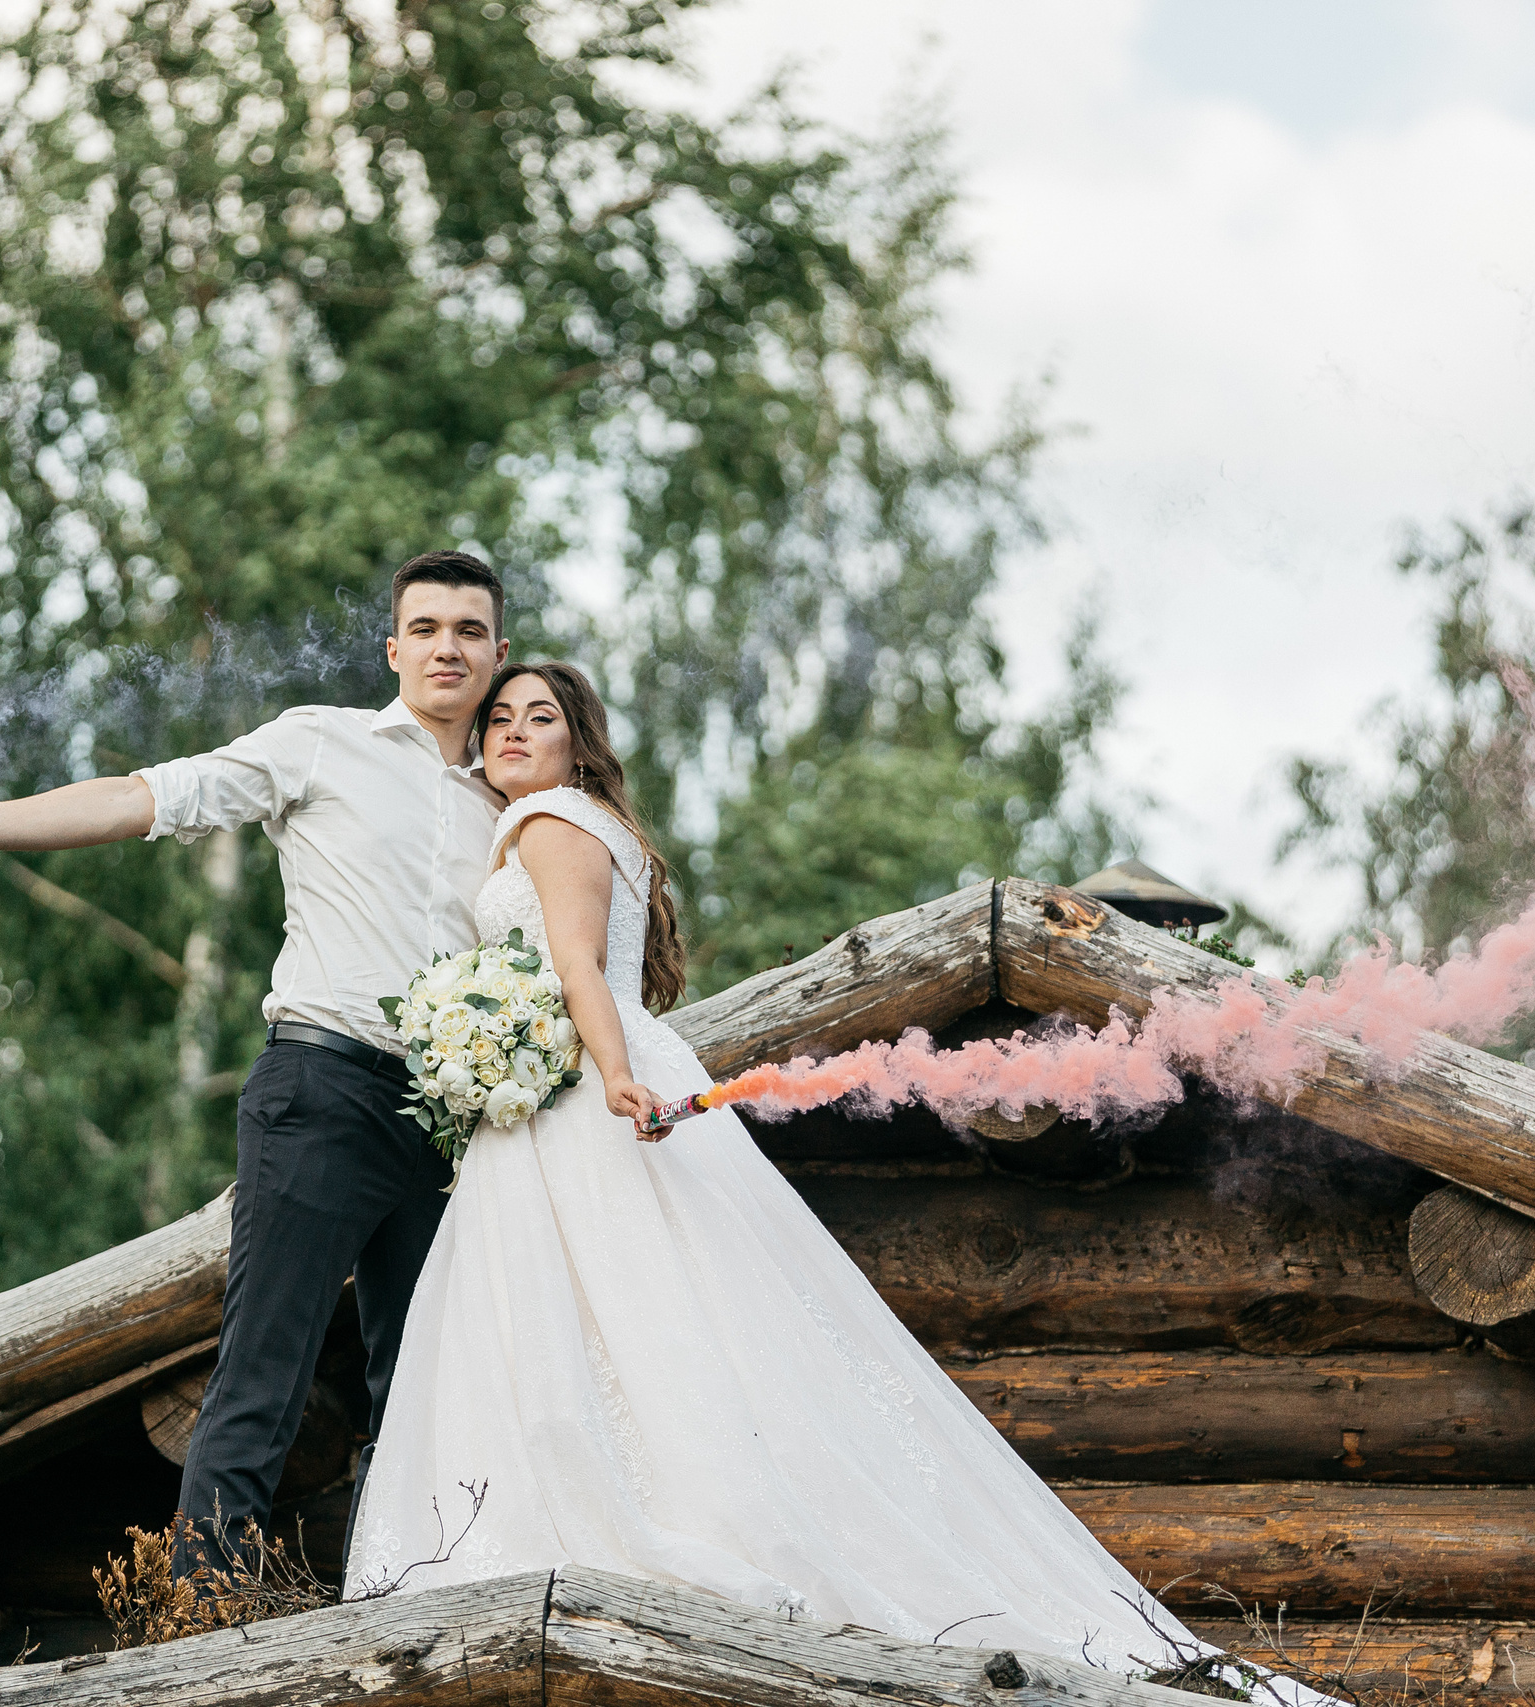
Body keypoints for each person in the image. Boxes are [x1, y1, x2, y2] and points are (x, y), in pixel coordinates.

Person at [345, 660, 1320, 1702]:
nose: (510, 732)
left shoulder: (550, 821)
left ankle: (600, 1535)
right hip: (570, 1076)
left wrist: (611, 1076)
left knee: (586, 1314)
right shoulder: (592, 826)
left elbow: (577, 966)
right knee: (655, 1310)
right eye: (498, 718)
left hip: (590, 1085)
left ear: (579, 740)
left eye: (538, 717)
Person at [0, 550, 509, 1579]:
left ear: (497, 652)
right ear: (394, 647)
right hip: (320, 1089)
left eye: (468, 631)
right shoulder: (321, 745)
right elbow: (144, 797)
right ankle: (204, 1614)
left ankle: (399, 1599)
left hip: (443, 1124)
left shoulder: (508, 804)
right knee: (262, 1370)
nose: (446, 647)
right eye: (426, 628)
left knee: (420, 1383)